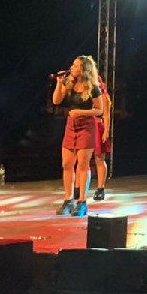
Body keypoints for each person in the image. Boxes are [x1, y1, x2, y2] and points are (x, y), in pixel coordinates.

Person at [52, 55, 104, 216]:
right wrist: (59, 83)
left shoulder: (93, 88)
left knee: (82, 165)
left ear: (84, 69)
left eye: (75, 66)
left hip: (86, 126)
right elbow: (56, 100)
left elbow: (99, 110)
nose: (72, 68)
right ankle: (68, 200)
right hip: (71, 126)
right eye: (73, 65)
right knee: (67, 164)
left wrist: (81, 112)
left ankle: (82, 202)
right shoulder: (69, 83)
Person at [92, 78, 112, 201]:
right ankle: (78, 187)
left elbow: (106, 115)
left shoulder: (104, 96)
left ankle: (100, 188)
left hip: (97, 126)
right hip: (87, 126)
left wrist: (106, 132)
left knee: (99, 158)